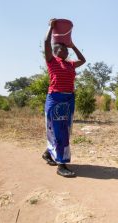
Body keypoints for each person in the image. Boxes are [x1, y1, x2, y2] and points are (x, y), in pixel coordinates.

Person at [41, 19, 86, 177]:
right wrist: (50, 27)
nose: (66, 51)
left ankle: (48, 153)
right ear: (55, 50)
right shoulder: (51, 61)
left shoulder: (70, 64)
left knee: (63, 130)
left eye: (67, 50)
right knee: (61, 132)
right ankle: (61, 165)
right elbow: (46, 41)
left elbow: (83, 60)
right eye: (63, 49)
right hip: (55, 99)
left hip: (68, 100)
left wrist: (72, 44)